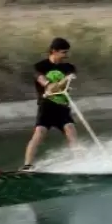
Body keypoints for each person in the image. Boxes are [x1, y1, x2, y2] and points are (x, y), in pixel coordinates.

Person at [21, 37, 81, 171]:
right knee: (39, 133)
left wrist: (68, 80)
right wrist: (64, 80)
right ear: (54, 51)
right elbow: (50, 88)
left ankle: (80, 163)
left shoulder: (69, 67)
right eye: (63, 52)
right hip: (46, 107)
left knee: (71, 131)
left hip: (62, 107)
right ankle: (27, 166)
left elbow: (66, 84)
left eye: (67, 52)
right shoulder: (39, 67)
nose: (66, 55)